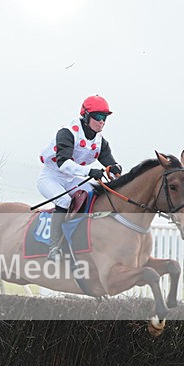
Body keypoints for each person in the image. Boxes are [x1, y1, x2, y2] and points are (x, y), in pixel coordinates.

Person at [37, 95, 123, 261]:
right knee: (64, 201)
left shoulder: (101, 142)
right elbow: (63, 163)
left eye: (104, 117)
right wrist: (89, 171)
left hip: (71, 179)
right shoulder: (67, 133)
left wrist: (115, 169)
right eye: (98, 116)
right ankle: (54, 247)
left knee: (95, 194)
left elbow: (110, 164)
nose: (102, 122)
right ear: (85, 116)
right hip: (50, 177)